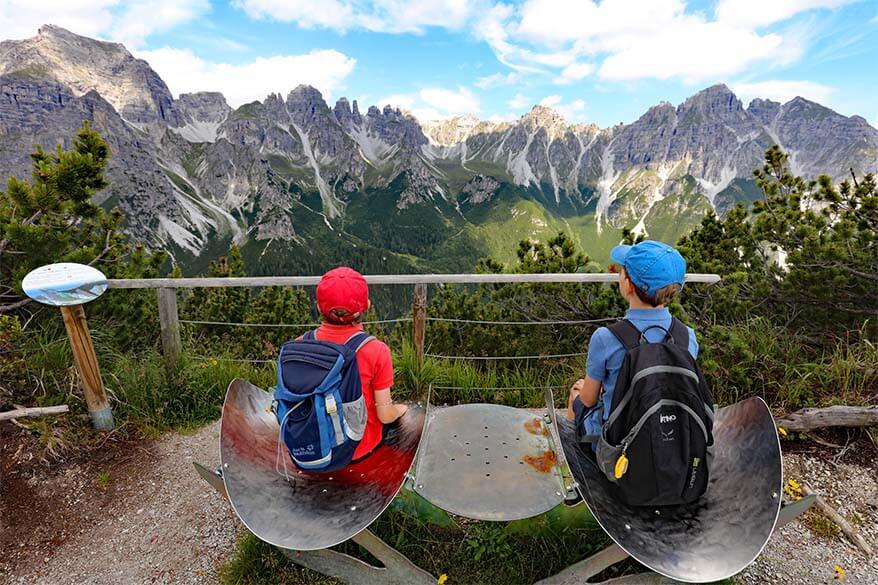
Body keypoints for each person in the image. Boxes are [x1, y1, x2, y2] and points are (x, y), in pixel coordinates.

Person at [566, 240, 699, 447]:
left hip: (619, 450)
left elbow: (589, 400)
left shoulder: (605, 337)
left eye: (622, 271)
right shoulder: (687, 336)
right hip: (672, 443)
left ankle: (581, 468)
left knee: (578, 392)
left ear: (627, 284)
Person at [310, 266, 407, 461]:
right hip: (357, 450)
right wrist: (402, 409)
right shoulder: (376, 351)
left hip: (312, 448)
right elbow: (385, 415)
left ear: (319, 308)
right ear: (367, 305)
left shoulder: (299, 345)